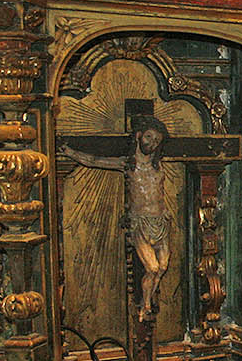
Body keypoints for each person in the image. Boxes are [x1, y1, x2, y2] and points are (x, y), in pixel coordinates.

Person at [60, 115, 171, 316]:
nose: (152, 143)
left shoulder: (158, 166)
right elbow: (94, 161)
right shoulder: (127, 165)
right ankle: (145, 305)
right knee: (153, 268)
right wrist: (70, 152)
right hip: (140, 222)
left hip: (160, 221)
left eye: (156, 140)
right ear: (138, 136)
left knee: (163, 267)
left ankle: (148, 300)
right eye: (148, 137)